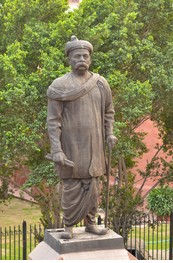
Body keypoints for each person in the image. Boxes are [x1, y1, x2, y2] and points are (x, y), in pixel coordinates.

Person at [46, 36, 117, 239]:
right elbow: (53, 121)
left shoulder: (101, 84)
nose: (82, 59)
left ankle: (91, 224)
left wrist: (109, 133)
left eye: (85, 55)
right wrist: (57, 150)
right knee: (71, 187)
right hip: (71, 147)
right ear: (69, 59)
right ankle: (68, 225)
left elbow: (108, 112)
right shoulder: (59, 86)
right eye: (77, 55)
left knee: (94, 187)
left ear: (90, 58)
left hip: (95, 146)